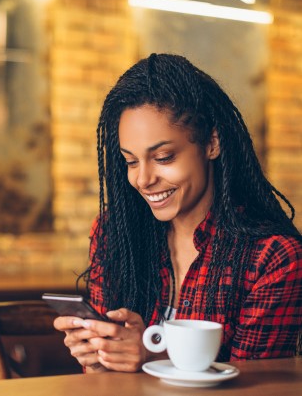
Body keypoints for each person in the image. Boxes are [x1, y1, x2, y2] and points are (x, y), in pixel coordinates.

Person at [53, 53, 302, 373]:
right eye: (130, 161)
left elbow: (255, 386)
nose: (143, 179)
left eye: (164, 156)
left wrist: (150, 357)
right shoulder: (116, 236)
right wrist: (102, 356)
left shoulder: (273, 258)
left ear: (212, 142)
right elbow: (103, 381)